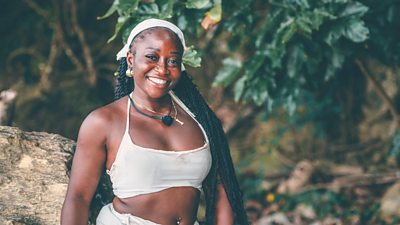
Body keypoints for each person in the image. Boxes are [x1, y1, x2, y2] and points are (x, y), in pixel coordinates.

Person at [61, 18, 248, 225]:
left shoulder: (201, 119)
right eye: (152, 57)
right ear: (131, 60)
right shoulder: (104, 121)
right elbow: (78, 198)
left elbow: (222, 187)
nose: (163, 69)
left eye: (173, 61)